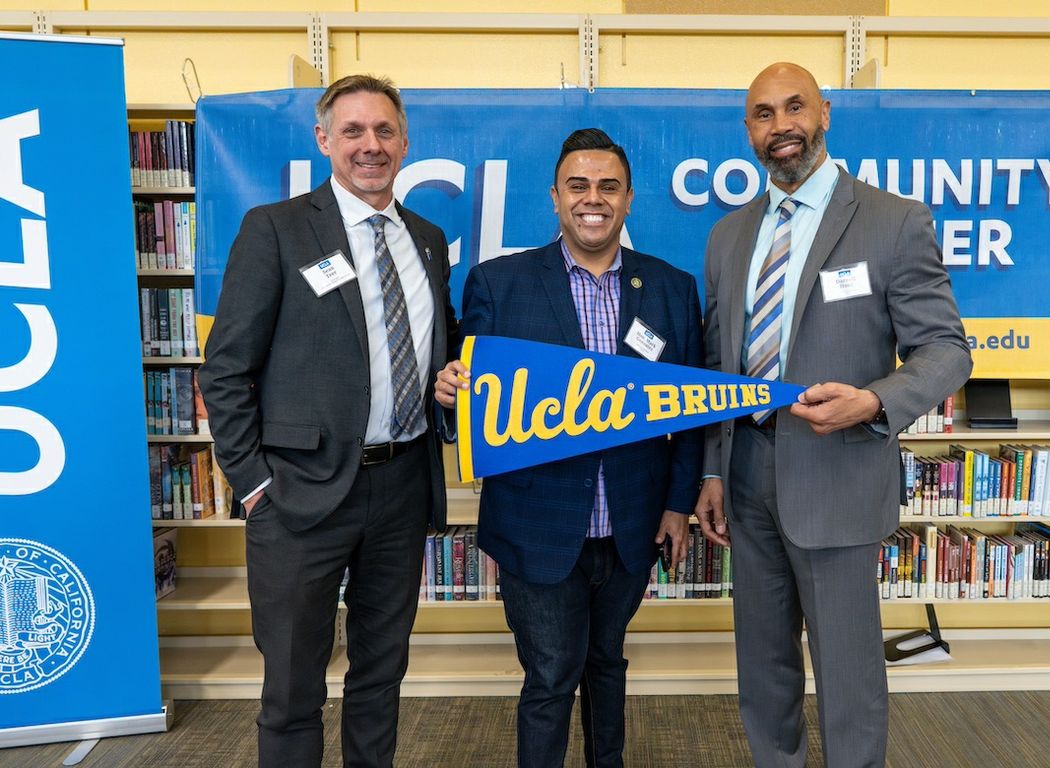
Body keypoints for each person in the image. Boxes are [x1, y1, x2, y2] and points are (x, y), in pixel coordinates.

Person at [693, 63, 972, 768]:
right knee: (763, 667)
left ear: (824, 113)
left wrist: (876, 400)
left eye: (794, 108)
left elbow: (946, 352)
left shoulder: (892, 220)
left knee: (848, 676)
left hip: (838, 475)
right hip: (747, 474)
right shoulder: (728, 236)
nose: (780, 125)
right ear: (748, 130)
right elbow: (716, 364)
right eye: (762, 113)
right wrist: (713, 470)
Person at [199, 74, 459, 768]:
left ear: (405, 142)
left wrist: (444, 386)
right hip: (296, 496)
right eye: (353, 132)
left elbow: (436, 354)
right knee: (291, 686)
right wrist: (253, 485)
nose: (370, 146)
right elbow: (224, 369)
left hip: (401, 489)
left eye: (384, 131)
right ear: (324, 140)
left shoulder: (428, 240)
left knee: (381, 675)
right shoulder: (277, 230)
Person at [434, 128, 703, 768]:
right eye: (578, 186)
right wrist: (452, 395)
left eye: (608, 187)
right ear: (555, 197)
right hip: (538, 527)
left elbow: (690, 415)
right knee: (552, 675)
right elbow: (471, 405)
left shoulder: (670, 288)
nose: (593, 199)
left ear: (630, 200)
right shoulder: (499, 284)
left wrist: (676, 505)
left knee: (608, 663)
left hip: (632, 527)